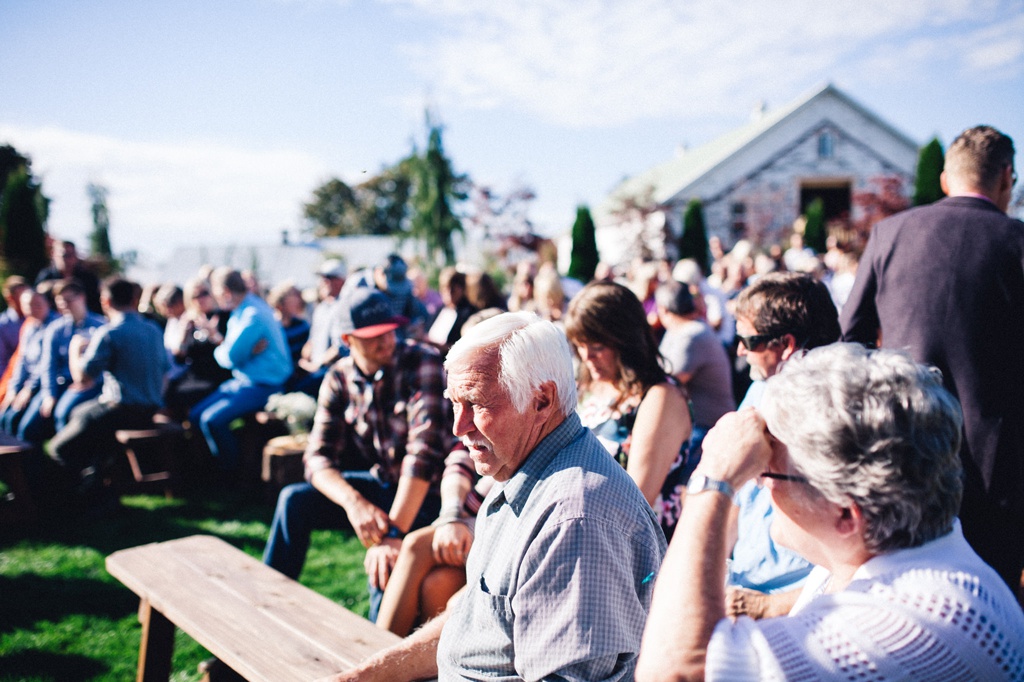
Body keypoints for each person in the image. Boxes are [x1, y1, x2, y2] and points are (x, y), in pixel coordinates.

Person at [637, 343, 1024, 681]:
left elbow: (674, 671)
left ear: (845, 514)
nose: (759, 484)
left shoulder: (923, 619)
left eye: (768, 471)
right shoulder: (882, 553)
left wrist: (714, 479)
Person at [324, 312, 667, 681]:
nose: (459, 426)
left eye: (476, 403)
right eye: (454, 402)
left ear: (542, 401)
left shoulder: (575, 521)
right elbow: (480, 622)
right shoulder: (521, 469)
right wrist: (367, 675)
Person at [841, 125, 1024, 593]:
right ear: (1007, 177)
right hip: (998, 459)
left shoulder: (890, 233)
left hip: (904, 444)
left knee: (910, 589)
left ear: (945, 179)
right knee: (993, 595)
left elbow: (850, 340)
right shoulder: (1015, 241)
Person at [263, 288, 450, 620]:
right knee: (294, 500)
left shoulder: (423, 362)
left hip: (433, 497)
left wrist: (391, 536)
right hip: (385, 486)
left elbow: (423, 457)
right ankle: (264, 611)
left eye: (390, 330)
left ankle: (378, 650)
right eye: (374, 336)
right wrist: (354, 503)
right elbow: (317, 459)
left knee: (384, 558)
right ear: (348, 340)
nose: (387, 341)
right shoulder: (338, 377)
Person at [725, 271, 841, 618]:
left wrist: (769, 605)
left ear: (786, 345)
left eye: (750, 340)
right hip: (742, 586)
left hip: (804, 605)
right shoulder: (760, 389)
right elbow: (738, 494)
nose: (741, 349)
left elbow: (857, 556)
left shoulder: (837, 413)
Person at [565, 280, 693, 540]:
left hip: (631, 548)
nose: (587, 356)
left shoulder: (660, 398)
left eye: (597, 346)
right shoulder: (587, 386)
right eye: (579, 345)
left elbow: (636, 500)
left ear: (625, 340)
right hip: (580, 529)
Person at [48, 278, 169, 508]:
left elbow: (83, 377)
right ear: (134, 300)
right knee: (82, 413)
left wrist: (76, 349)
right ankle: (99, 480)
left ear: (106, 301)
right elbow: (165, 372)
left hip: (123, 409)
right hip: (150, 407)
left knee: (59, 447)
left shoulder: (110, 333)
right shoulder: (153, 329)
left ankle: (75, 497)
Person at [189, 267, 291, 474]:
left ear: (226, 292)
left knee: (211, 420)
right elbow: (232, 355)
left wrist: (226, 349)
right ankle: (205, 469)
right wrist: (235, 350)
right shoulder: (244, 309)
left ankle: (232, 474)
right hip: (245, 381)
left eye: (215, 294)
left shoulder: (252, 314)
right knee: (196, 414)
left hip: (265, 385)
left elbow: (229, 358)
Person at [16, 280, 105, 444]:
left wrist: (92, 381)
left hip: (90, 383)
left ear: (81, 298)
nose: (65, 305)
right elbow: (48, 365)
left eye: (69, 300)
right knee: (27, 427)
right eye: (61, 301)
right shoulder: (56, 329)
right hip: (61, 383)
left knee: (64, 413)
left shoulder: (100, 326)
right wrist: (49, 394)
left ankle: (66, 458)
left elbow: (106, 364)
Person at [656, 281, 734, 457]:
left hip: (708, 428)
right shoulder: (682, 330)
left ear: (663, 309)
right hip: (700, 424)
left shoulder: (692, 334)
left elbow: (666, 382)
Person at [1, 288, 58, 436]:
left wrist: (29, 389)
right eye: (28, 305)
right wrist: (13, 388)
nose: (33, 309)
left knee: (26, 428)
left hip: (46, 383)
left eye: (37, 304)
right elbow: (22, 361)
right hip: (29, 383)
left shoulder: (55, 326)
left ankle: (32, 458)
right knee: (5, 419)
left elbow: (47, 364)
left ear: (48, 303)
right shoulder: (29, 327)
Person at [34, 240, 102, 314]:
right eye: (65, 255)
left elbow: (96, 302)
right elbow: (37, 294)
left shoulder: (87, 277)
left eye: (72, 255)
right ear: (53, 255)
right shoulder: (47, 275)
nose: (68, 259)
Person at [0, 276, 28, 378]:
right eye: (21, 296)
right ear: (10, 298)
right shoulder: (3, 324)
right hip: (12, 376)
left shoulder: (35, 319)